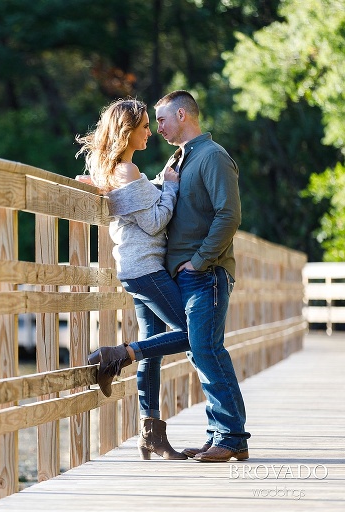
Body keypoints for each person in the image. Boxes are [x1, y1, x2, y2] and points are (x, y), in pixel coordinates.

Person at [76, 98, 190, 460]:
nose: (149, 132)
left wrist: (159, 183)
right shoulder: (127, 171)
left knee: (154, 350)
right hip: (146, 269)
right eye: (143, 126)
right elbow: (155, 221)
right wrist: (170, 186)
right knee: (193, 331)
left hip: (135, 269)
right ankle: (118, 354)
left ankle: (151, 435)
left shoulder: (115, 169)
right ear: (127, 131)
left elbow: (140, 203)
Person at [152, 90, 250, 463]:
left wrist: (200, 261)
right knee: (201, 352)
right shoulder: (181, 159)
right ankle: (218, 434)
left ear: (182, 114)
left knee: (207, 350)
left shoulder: (213, 156)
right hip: (189, 275)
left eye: (161, 119)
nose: (158, 127)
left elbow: (229, 215)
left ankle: (233, 436)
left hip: (205, 274)